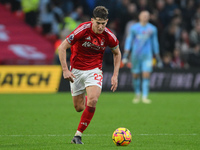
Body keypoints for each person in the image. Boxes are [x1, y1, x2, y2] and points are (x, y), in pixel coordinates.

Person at [58, 6, 121, 144]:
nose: (100, 27)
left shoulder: (109, 35)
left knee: (93, 100)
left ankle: (77, 136)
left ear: (107, 22)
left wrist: (115, 75)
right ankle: (88, 98)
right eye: (98, 23)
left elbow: (117, 53)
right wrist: (65, 70)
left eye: (103, 24)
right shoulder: (82, 30)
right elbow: (62, 47)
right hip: (76, 71)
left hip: (94, 70)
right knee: (79, 108)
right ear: (92, 20)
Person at [122, 10, 162, 104]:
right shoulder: (134, 28)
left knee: (146, 74)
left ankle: (145, 96)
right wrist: (126, 54)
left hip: (147, 55)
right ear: (139, 16)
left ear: (149, 17)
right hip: (135, 55)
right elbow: (129, 40)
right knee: (135, 75)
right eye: (143, 15)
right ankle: (137, 94)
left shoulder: (152, 29)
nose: (145, 17)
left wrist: (157, 56)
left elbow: (155, 43)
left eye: (147, 15)